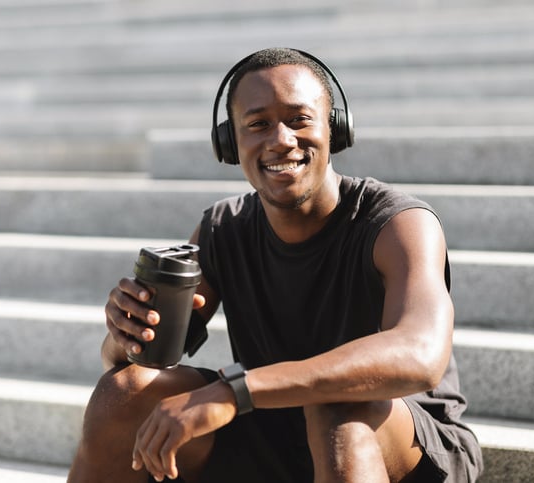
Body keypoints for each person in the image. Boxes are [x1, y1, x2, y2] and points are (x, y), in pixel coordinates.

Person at [68, 47, 483, 483]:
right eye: (258, 124)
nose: (281, 139)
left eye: (299, 119)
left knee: (335, 405)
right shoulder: (222, 228)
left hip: (399, 442)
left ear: (334, 130)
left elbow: (421, 356)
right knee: (124, 393)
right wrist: (127, 335)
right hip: (277, 430)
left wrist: (235, 391)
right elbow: (138, 365)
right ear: (231, 143)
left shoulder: (397, 223)